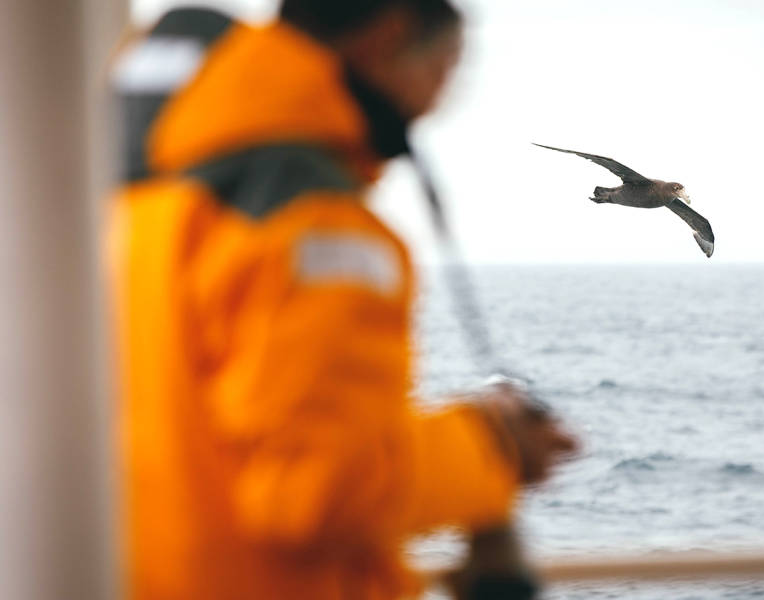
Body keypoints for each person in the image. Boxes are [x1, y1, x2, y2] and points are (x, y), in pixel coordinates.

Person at [107, 1, 576, 598]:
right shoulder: (315, 223)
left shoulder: (154, 201)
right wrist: (494, 448)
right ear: (391, 36)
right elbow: (321, 492)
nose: (435, 104)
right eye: (447, 68)